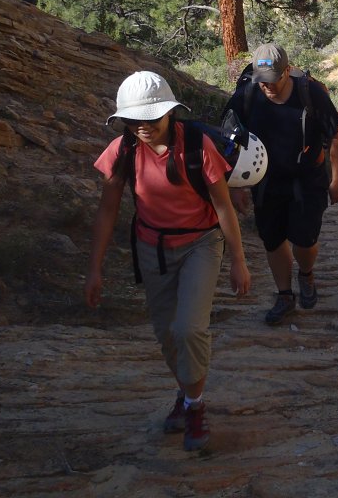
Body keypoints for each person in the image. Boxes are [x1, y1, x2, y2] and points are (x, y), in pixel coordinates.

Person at [85, 70, 251, 452]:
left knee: (188, 329)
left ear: (170, 114)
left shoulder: (195, 145)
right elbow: (107, 210)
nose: (142, 127)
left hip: (201, 245)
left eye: (151, 118)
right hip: (152, 248)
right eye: (134, 120)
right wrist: (94, 268)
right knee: (167, 336)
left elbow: (223, 205)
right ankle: (186, 393)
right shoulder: (122, 149)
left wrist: (238, 260)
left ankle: (195, 405)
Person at [223, 42, 338, 326]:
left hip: (308, 179)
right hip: (265, 181)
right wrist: (236, 186)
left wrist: (337, 179)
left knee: (305, 238)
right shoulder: (248, 94)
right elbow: (231, 141)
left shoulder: (310, 93)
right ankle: (284, 295)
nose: (267, 86)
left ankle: (306, 272)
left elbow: (335, 137)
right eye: (261, 80)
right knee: (273, 239)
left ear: (287, 71)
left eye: (273, 80)